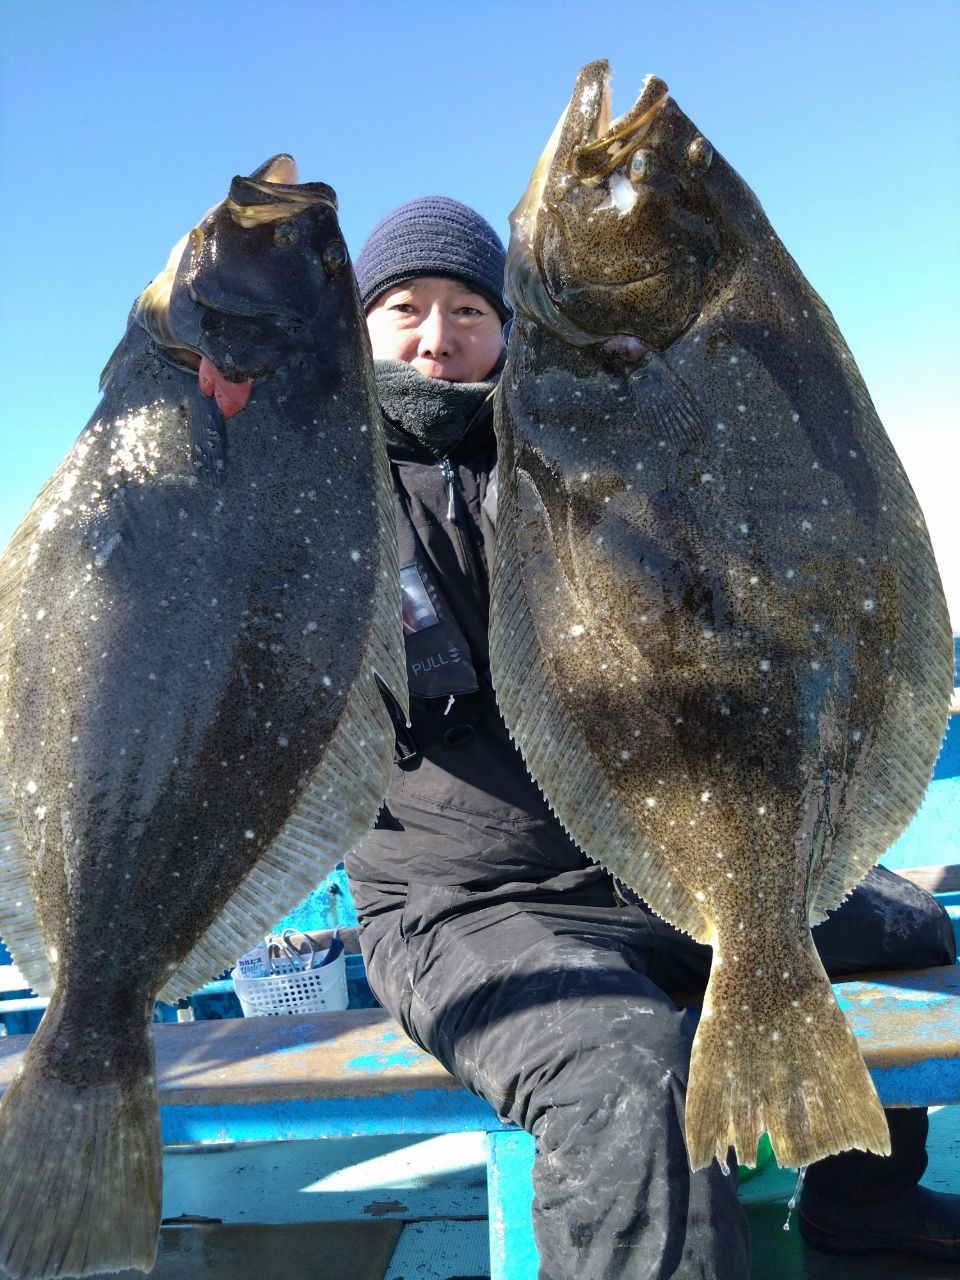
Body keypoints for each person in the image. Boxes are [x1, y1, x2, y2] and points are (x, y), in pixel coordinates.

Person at [344, 195, 960, 1278]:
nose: (438, 334)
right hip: (469, 901)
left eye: (468, 308)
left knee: (910, 927)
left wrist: (668, 391)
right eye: (403, 308)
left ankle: (858, 1203)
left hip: (652, 862)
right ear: (354, 331)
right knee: (628, 1070)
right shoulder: (322, 482)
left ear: (512, 326)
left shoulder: (574, 439)